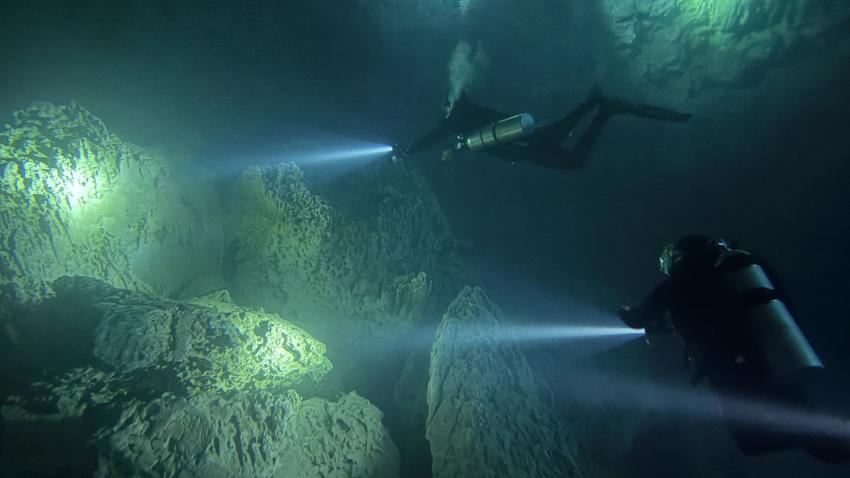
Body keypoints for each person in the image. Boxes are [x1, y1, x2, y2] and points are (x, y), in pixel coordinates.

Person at [619, 234, 849, 463]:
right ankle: (831, 440)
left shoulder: (673, 286)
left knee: (749, 441)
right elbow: (712, 314)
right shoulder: (723, 275)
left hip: (729, 366)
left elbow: (637, 318)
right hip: (762, 353)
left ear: (679, 255)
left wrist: (622, 311)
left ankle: (825, 439)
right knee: (804, 419)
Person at [392, 86, 691, 169]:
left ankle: (599, 105)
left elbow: (433, 137)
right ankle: (601, 109)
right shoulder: (467, 112)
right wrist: (454, 150)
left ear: (449, 104)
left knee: (564, 142)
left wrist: (408, 150)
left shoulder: (456, 116)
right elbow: (456, 141)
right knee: (572, 158)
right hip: (524, 144)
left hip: (523, 147)